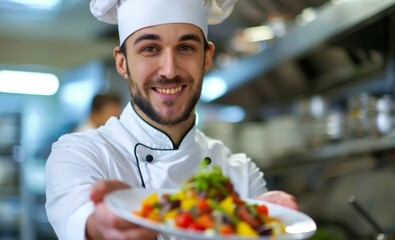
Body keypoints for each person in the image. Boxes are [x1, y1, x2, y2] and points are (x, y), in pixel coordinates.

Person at [45, 0, 299, 239]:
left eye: (186, 48)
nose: (169, 70)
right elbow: (79, 217)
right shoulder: (79, 154)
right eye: (150, 49)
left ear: (207, 58)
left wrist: (269, 228)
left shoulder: (241, 174)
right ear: (122, 63)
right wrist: (101, 226)